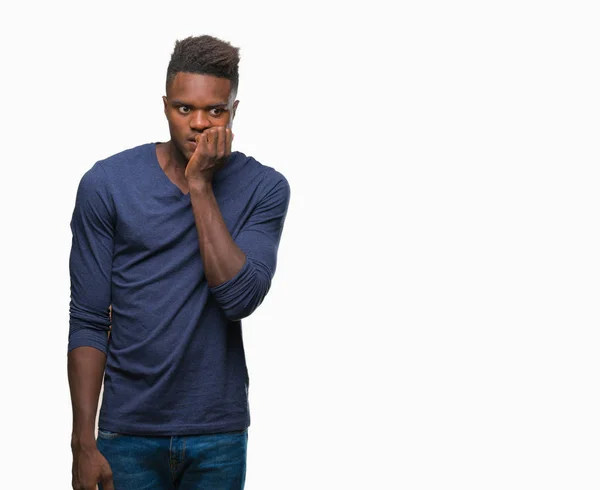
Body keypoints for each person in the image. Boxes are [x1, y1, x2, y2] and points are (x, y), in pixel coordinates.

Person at [67, 34, 290, 490]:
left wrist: (202, 186)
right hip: (127, 432)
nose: (198, 124)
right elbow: (88, 320)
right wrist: (82, 445)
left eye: (215, 111)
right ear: (165, 105)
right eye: (184, 109)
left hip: (217, 433)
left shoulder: (264, 188)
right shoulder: (106, 184)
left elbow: (239, 297)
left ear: (234, 110)